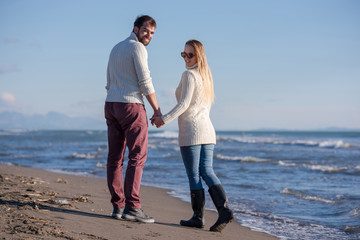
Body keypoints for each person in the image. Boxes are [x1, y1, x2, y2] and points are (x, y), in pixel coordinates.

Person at [151, 40, 234, 232]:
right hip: (208, 131)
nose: (186, 59)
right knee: (207, 171)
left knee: (195, 174)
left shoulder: (189, 75)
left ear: (199, 56)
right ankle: (224, 210)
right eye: (184, 54)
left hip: (192, 132)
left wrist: (163, 119)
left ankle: (199, 217)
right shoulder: (207, 76)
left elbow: (184, 105)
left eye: (191, 55)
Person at [105, 15, 161, 224]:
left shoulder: (116, 48)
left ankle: (118, 206)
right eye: (146, 30)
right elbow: (145, 81)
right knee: (137, 157)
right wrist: (157, 110)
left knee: (115, 158)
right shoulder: (137, 48)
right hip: (131, 105)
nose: (149, 36)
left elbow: (109, 80)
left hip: (111, 104)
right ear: (135, 28)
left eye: (153, 33)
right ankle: (133, 207)